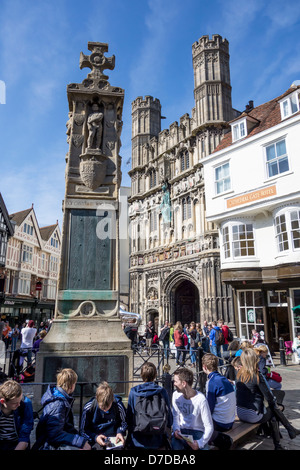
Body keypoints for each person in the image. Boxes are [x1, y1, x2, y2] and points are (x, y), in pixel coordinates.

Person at [235, 348, 300, 450]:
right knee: (273, 412)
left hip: (240, 412)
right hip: (252, 415)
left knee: (272, 407)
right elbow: (269, 398)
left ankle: (290, 429)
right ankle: (281, 441)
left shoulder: (239, 375)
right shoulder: (256, 376)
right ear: (254, 360)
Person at [33, 368, 91, 450]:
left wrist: (80, 439)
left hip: (54, 440)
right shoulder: (58, 404)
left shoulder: (61, 398)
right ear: (71, 386)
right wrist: (80, 442)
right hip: (47, 444)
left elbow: (67, 427)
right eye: (75, 383)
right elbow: (55, 434)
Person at [126, 362, 172, 449]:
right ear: (155, 375)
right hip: (157, 438)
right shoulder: (162, 392)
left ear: (141, 375)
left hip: (137, 439)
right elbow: (169, 417)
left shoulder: (134, 392)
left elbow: (129, 416)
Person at [171, 367, 214, 450]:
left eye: (176, 381)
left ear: (184, 383)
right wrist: (176, 430)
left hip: (197, 432)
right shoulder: (176, 395)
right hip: (182, 432)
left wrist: (199, 443)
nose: (174, 384)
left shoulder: (200, 399)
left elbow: (209, 426)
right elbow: (175, 416)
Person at [202, 354, 236, 449]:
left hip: (220, 423)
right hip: (230, 421)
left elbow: (209, 407)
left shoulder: (211, 382)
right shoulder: (224, 379)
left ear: (204, 367)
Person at [80, 381, 127, 449]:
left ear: (112, 399)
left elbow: (124, 422)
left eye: (108, 407)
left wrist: (120, 432)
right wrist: (95, 438)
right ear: (97, 399)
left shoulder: (118, 405)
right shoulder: (89, 407)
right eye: (102, 407)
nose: (105, 410)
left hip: (114, 438)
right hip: (95, 439)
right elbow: (83, 430)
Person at [0, 379, 34, 450]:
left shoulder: (25, 404)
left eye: (20, 401)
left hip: (17, 443)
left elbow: (24, 436)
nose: (19, 405)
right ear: (3, 401)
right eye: (15, 403)